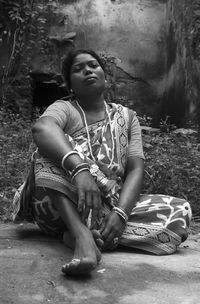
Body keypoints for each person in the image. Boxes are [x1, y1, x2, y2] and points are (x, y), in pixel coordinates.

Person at [12, 49, 192, 276]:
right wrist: (81, 170)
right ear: (70, 86)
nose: (87, 70)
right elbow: (42, 128)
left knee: (179, 211)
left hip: (106, 207)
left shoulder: (127, 118)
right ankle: (82, 235)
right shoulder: (64, 108)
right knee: (48, 149)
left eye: (93, 65)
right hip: (59, 202)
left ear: (105, 77)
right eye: (78, 69)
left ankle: (93, 235)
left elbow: (136, 170)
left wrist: (121, 214)